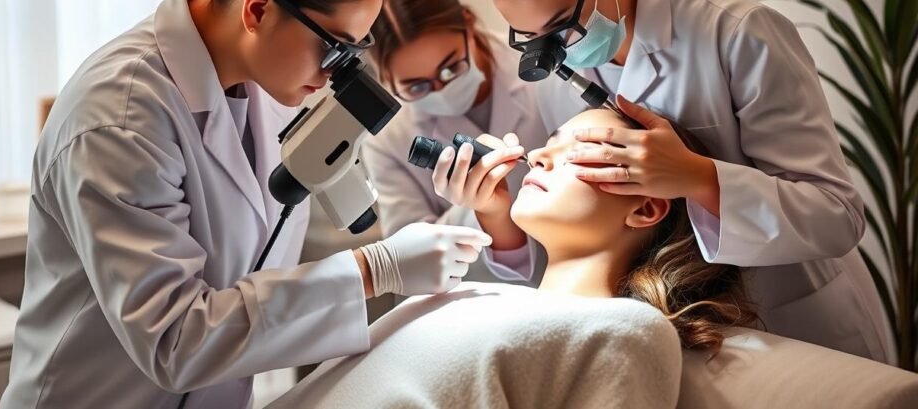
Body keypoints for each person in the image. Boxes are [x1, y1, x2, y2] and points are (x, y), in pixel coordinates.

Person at [0, 0, 493, 409]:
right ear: (258, 9)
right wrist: (374, 269)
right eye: (334, 48)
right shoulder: (120, 115)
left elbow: (252, 287)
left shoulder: (270, 84)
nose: (335, 73)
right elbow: (175, 339)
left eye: (353, 52)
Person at [480, 0, 889, 362]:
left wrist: (697, 177)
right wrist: (496, 213)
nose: (553, 51)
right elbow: (589, 228)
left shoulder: (737, 33)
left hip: (796, 316)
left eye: (562, 26)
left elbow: (837, 215)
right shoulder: (556, 71)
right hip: (671, 330)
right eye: (531, 37)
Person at [267, 109, 757, 409]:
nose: (540, 155)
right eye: (552, 139)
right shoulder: (466, 296)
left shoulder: (629, 331)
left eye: (580, 149)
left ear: (646, 207)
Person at [363, 0, 549, 284]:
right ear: (386, 78)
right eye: (416, 87)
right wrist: (479, 210)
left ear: (469, 24)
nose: (441, 90)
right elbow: (408, 261)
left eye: (451, 69)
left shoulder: (539, 71)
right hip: (474, 292)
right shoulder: (388, 138)